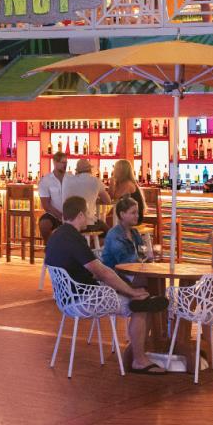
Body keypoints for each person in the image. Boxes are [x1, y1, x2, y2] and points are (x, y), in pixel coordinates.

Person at [44, 196, 167, 373]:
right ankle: (139, 360)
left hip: (66, 298)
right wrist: (132, 292)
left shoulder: (57, 236)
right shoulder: (74, 238)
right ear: (80, 214)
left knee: (135, 294)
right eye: (88, 213)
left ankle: (144, 309)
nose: (90, 217)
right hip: (85, 298)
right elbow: (102, 271)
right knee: (139, 305)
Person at [64, 158, 111, 228]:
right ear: (90, 170)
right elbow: (108, 201)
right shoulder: (95, 181)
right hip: (88, 223)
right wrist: (95, 199)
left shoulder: (68, 180)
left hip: (69, 223)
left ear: (77, 171)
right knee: (106, 229)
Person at [36, 150, 71, 242]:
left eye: (66, 162)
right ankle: (49, 248)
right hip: (54, 215)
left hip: (71, 214)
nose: (65, 165)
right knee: (44, 224)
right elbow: (46, 206)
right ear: (55, 162)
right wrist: (60, 216)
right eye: (62, 162)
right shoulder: (45, 181)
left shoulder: (72, 178)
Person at [109, 159, 144, 225]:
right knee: (108, 217)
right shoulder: (120, 183)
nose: (114, 171)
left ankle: (113, 234)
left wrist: (112, 183)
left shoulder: (128, 184)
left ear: (123, 171)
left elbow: (115, 198)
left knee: (109, 218)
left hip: (134, 216)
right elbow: (110, 198)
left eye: (116, 169)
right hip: (126, 213)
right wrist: (112, 183)